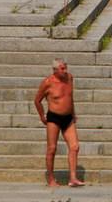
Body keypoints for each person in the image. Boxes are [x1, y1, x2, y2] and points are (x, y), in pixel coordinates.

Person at [34, 59, 84, 188]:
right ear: (55, 70)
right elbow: (37, 100)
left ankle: (73, 178)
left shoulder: (69, 78)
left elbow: (69, 97)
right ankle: (51, 179)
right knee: (52, 148)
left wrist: (73, 113)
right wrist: (42, 116)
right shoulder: (48, 82)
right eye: (62, 68)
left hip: (68, 117)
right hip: (54, 118)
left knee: (75, 147)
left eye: (65, 68)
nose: (65, 71)